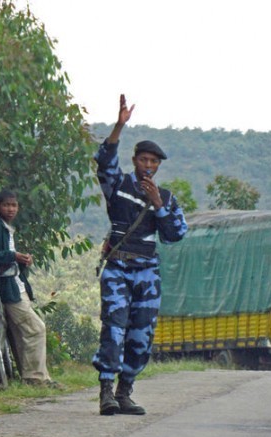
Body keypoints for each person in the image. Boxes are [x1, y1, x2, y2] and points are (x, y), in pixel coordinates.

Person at [93, 94, 188, 416]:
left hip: (148, 273)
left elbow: (175, 234)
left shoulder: (167, 197)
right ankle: (106, 390)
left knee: (141, 333)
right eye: (144, 160)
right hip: (118, 268)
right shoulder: (117, 185)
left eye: (154, 162)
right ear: (135, 160)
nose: (149, 166)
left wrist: (159, 206)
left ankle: (125, 391)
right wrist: (119, 125)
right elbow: (104, 161)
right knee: (115, 327)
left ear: (158, 166)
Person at [0, 189, 54, 386]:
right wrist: (13, 256)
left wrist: (20, 260)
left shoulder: (3, 226)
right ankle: (37, 377)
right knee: (35, 329)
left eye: (14, 205)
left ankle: (32, 378)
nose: (11, 209)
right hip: (7, 290)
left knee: (20, 334)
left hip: (14, 285)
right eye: (6, 205)